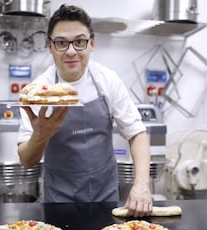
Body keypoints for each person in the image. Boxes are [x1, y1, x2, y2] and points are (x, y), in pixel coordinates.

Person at [17, 4, 152, 217]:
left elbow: (137, 133)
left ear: (92, 44)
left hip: (105, 197)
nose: (71, 51)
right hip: (58, 201)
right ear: (50, 46)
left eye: (79, 42)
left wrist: (142, 185)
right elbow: (26, 159)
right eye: (61, 43)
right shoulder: (40, 92)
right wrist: (40, 135)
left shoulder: (107, 80)